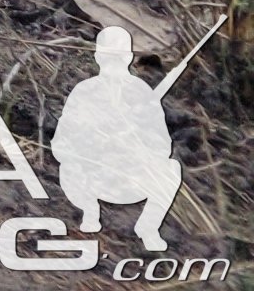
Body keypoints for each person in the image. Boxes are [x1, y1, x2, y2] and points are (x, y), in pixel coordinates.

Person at [52, 26, 183, 251]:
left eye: (118, 56)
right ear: (98, 57)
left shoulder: (142, 93)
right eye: (109, 56)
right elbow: (61, 144)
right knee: (69, 166)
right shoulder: (84, 91)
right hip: (92, 179)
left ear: (129, 57)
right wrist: (93, 145)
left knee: (172, 168)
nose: (113, 62)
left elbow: (163, 146)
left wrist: (135, 145)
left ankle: (148, 227)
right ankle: (90, 212)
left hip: (132, 180)